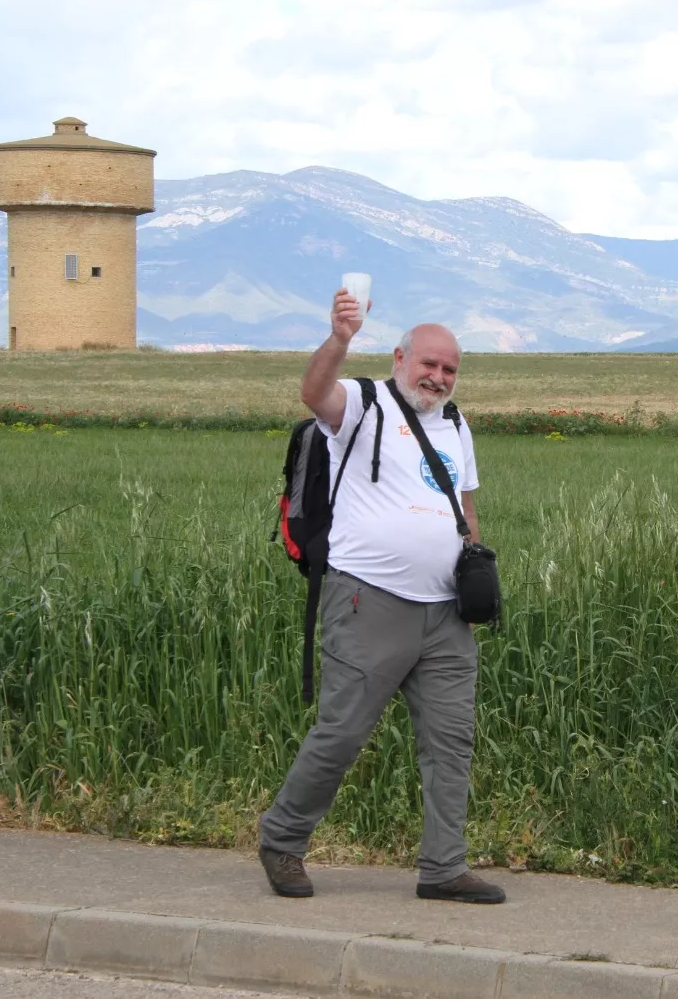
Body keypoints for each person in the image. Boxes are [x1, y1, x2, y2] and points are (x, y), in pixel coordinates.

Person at [257, 287, 504, 905]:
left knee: (451, 742)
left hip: (445, 614)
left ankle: (443, 867)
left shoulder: (455, 424)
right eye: (429, 364)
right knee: (342, 733)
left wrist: (473, 577)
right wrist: (339, 340)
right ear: (399, 358)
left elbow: (466, 508)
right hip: (369, 602)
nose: (439, 377)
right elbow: (313, 394)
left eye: (449, 369)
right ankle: (282, 840)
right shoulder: (364, 404)